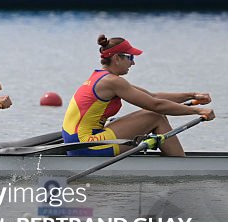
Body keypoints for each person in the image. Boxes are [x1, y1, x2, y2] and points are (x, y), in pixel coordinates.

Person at [61, 34, 215, 157]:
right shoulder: (112, 82)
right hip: (86, 145)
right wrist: (198, 111)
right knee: (155, 116)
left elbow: (152, 96)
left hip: (77, 141)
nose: (133, 63)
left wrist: (192, 95)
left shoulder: (103, 78)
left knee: (155, 114)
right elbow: (156, 105)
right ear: (116, 58)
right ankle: (181, 168)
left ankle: (176, 161)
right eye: (130, 57)